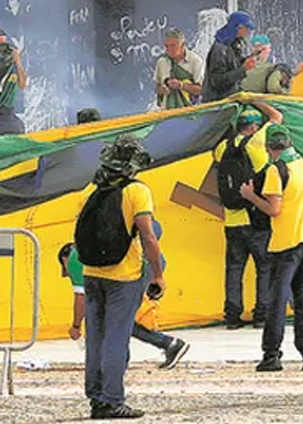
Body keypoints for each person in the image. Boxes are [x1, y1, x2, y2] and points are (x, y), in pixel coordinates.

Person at [74, 136, 165, 420]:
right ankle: (114, 401)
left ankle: (97, 400)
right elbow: (149, 236)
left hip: (91, 275)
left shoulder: (90, 191)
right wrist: (158, 274)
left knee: (96, 340)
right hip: (122, 277)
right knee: (116, 339)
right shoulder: (137, 192)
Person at [240, 124, 303, 372]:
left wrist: (250, 195)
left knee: (277, 301)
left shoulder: (276, 170)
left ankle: (272, 355)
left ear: (270, 148)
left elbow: (274, 209)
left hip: (284, 244)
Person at [61, 241, 190, 371]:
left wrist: (76, 326)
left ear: (64, 259)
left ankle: (168, 344)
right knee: (117, 317)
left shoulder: (75, 260)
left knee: (118, 318)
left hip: (140, 268)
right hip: (146, 262)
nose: (65, 274)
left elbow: (81, 299)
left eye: (64, 267)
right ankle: (124, 357)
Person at [215, 102, 283, 330]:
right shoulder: (257, 142)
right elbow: (277, 115)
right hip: (256, 217)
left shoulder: (221, 148)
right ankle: (261, 314)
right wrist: (253, 98)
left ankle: (232, 316)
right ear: (254, 127)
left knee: (234, 268)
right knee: (264, 267)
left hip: (232, 219)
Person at [201, 11, 258, 103]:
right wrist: (243, 69)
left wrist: (249, 58)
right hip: (217, 102)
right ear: (238, 27)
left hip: (230, 97)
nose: (248, 31)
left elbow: (232, 65)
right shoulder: (220, 49)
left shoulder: (233, 44)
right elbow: (217, 81)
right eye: (246, 28)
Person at [153, 28, 205, 110]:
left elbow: (201, 90)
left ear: (183, 45)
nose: (169, 50)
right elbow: (157, 88)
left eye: (173, 46)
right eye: (166, 46)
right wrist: (163, 89)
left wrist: (181, 85)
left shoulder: (195, 61)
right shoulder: (161, 62)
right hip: (166, 112)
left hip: (190, 112)